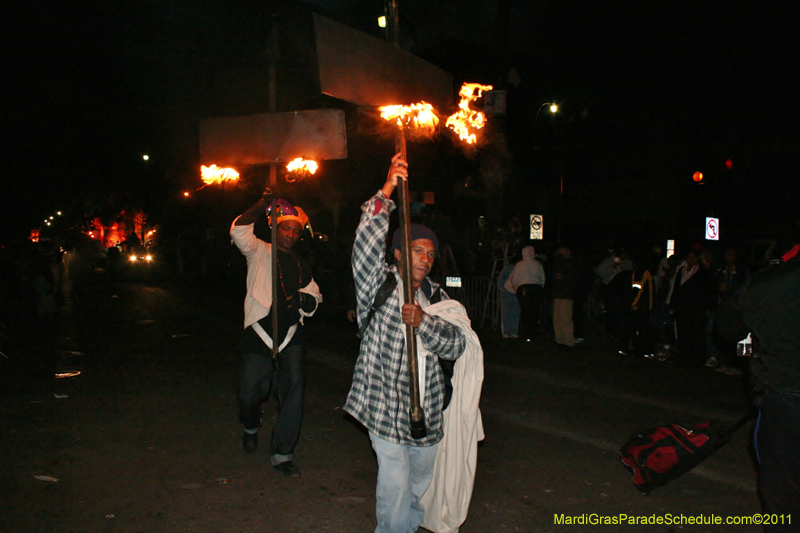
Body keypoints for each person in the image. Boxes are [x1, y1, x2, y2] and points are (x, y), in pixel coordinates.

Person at [345, 153, 483, 533]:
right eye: (417, 250)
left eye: (430, 254)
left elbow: (457, 346)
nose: (424, 259)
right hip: (384, 404)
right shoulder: (379, 283)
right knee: (394, 485)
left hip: (428, 412)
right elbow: (365, 243)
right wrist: (387, 189)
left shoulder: (439, 298)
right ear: (399, 252)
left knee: (418, 487)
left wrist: (423, 323)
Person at [230, 192, 322, 478]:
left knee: (293, 395)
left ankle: (282, 454)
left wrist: (309, 301)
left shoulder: (299, 263)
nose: (291, 234)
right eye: (286, 228)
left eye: (296, 230)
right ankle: (251, 425)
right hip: (258, 333)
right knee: (248, 392)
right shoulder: (258, 250)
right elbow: (239, 230)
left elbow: (314, 292)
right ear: (274, 228)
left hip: (290, 336)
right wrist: (261, 204)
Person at [738, 240, 800, 531]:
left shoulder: (770, 281)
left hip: (785, 394)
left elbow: (730, 328)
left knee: (781, 485)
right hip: (784, 391)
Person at [666, 247, 715, 368]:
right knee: (683, 333)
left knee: (696, 333)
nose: (691, 259)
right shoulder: (682, 271)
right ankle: (683, 358)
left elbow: (707, 291)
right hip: (682, 308)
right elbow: (676, 289)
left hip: (696, 308)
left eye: (693, 257)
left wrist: (708, 307)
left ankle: (697, 360)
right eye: (689, 257)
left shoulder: (702, 272)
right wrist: (672, 305)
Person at [504, 245, 545, 341]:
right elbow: (542, 277)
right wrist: (540, 286)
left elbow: (515, 278)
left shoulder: (519, 264)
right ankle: (534, 332)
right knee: (534, 311)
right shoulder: (537, 264)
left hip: (524, 288)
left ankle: (525, 333)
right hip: (536, 287)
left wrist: (516, 288)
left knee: (525, 311)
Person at [550, 246, 578, 349]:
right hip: (558, 293)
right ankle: (560, 339)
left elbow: (570, 278)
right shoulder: (559, 264)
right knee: (557, 318)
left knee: (565, 318)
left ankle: (568, 341)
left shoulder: (570, 264)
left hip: (565, 294)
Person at [497, 259, 520, 338]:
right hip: (507, 292)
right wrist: (502, 289)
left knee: (515, 312)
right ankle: (506, 331)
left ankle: (513, 331)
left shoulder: (518, 267)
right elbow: (501, 278)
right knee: (507, 312)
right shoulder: (510, 268)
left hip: (515, 292)